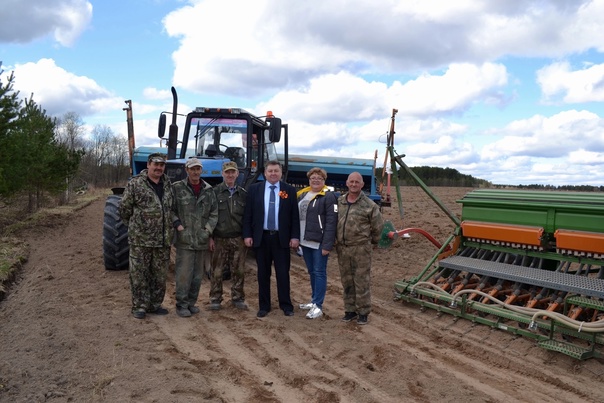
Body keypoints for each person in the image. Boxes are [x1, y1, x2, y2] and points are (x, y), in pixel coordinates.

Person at [119, 152, 175, 319]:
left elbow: (170, 209)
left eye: (162, 165)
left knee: (159, 275)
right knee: (139, 274)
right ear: (148, 165)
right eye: (156, 164)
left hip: (162, 240)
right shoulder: (136, 184)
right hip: (141, 240)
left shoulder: (167, 184)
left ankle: (154, 305)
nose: (159, 168)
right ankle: (139, 306)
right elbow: (124, 210)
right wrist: (136, 228)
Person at [243, 160, 300, 318]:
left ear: (281, 173)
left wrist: (295, 236)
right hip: (262, 238)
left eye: (276, 171)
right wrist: (247, 234)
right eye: (270, 171)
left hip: (281, 239)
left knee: (283, 273)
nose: (273, 173)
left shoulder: (288, 190)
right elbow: (248, 214)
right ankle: (264, 306)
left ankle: (286, 305)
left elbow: (294, 216)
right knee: (263, 274)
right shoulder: (254, 189)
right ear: (265, 173)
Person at [335, 171, 384, 325]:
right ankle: (349, 310)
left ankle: (363, 312)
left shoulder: (370, 205)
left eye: (357, 182)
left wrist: (372, 243)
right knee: (346, 281)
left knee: (361, 281)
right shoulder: (340, 201)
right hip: (343, 249)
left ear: (362, 185)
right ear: (347, 183)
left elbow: (378, 228)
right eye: (351, 181)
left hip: (361, 249)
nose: (354, 184)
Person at [172, 158, 218, 318]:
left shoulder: (208, 190)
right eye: (192, 169)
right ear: (187, 170)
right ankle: (181, 304)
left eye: (198, 169)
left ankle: (192, 303)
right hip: (184, 239)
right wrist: (178, 225)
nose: (195, 172)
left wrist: (207, 230)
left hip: (201, 239)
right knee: (184, 274)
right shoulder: (177, 188)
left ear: (201, 170)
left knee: (198, 275)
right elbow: (170, 209)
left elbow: (214, 213)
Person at [296, 167, 338, 319]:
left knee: (319, 272)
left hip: (319, 242)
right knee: (312, 272)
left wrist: (328, 245)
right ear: (309, 180)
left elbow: (331, 223)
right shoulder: (303, 195)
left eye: (319, 178)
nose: (315, 180)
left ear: (323, 181)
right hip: (304, 240)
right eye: (313, 178)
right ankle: (313, 300)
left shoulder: (328, 197)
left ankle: (318, 305)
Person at [208, 161, 249, 311]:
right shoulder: (214, 192)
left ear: (237, 174)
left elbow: (247, 217)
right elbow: (209, 215)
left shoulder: (243, 194)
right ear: (222, 174)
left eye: (233, 172)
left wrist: (246, 236)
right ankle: (215, 299)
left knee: (238, 270)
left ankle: (237, 298)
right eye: (227, 172)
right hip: (219, 238)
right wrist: (209, 237)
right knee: (217, 271)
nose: (230, 175)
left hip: (238, 238)